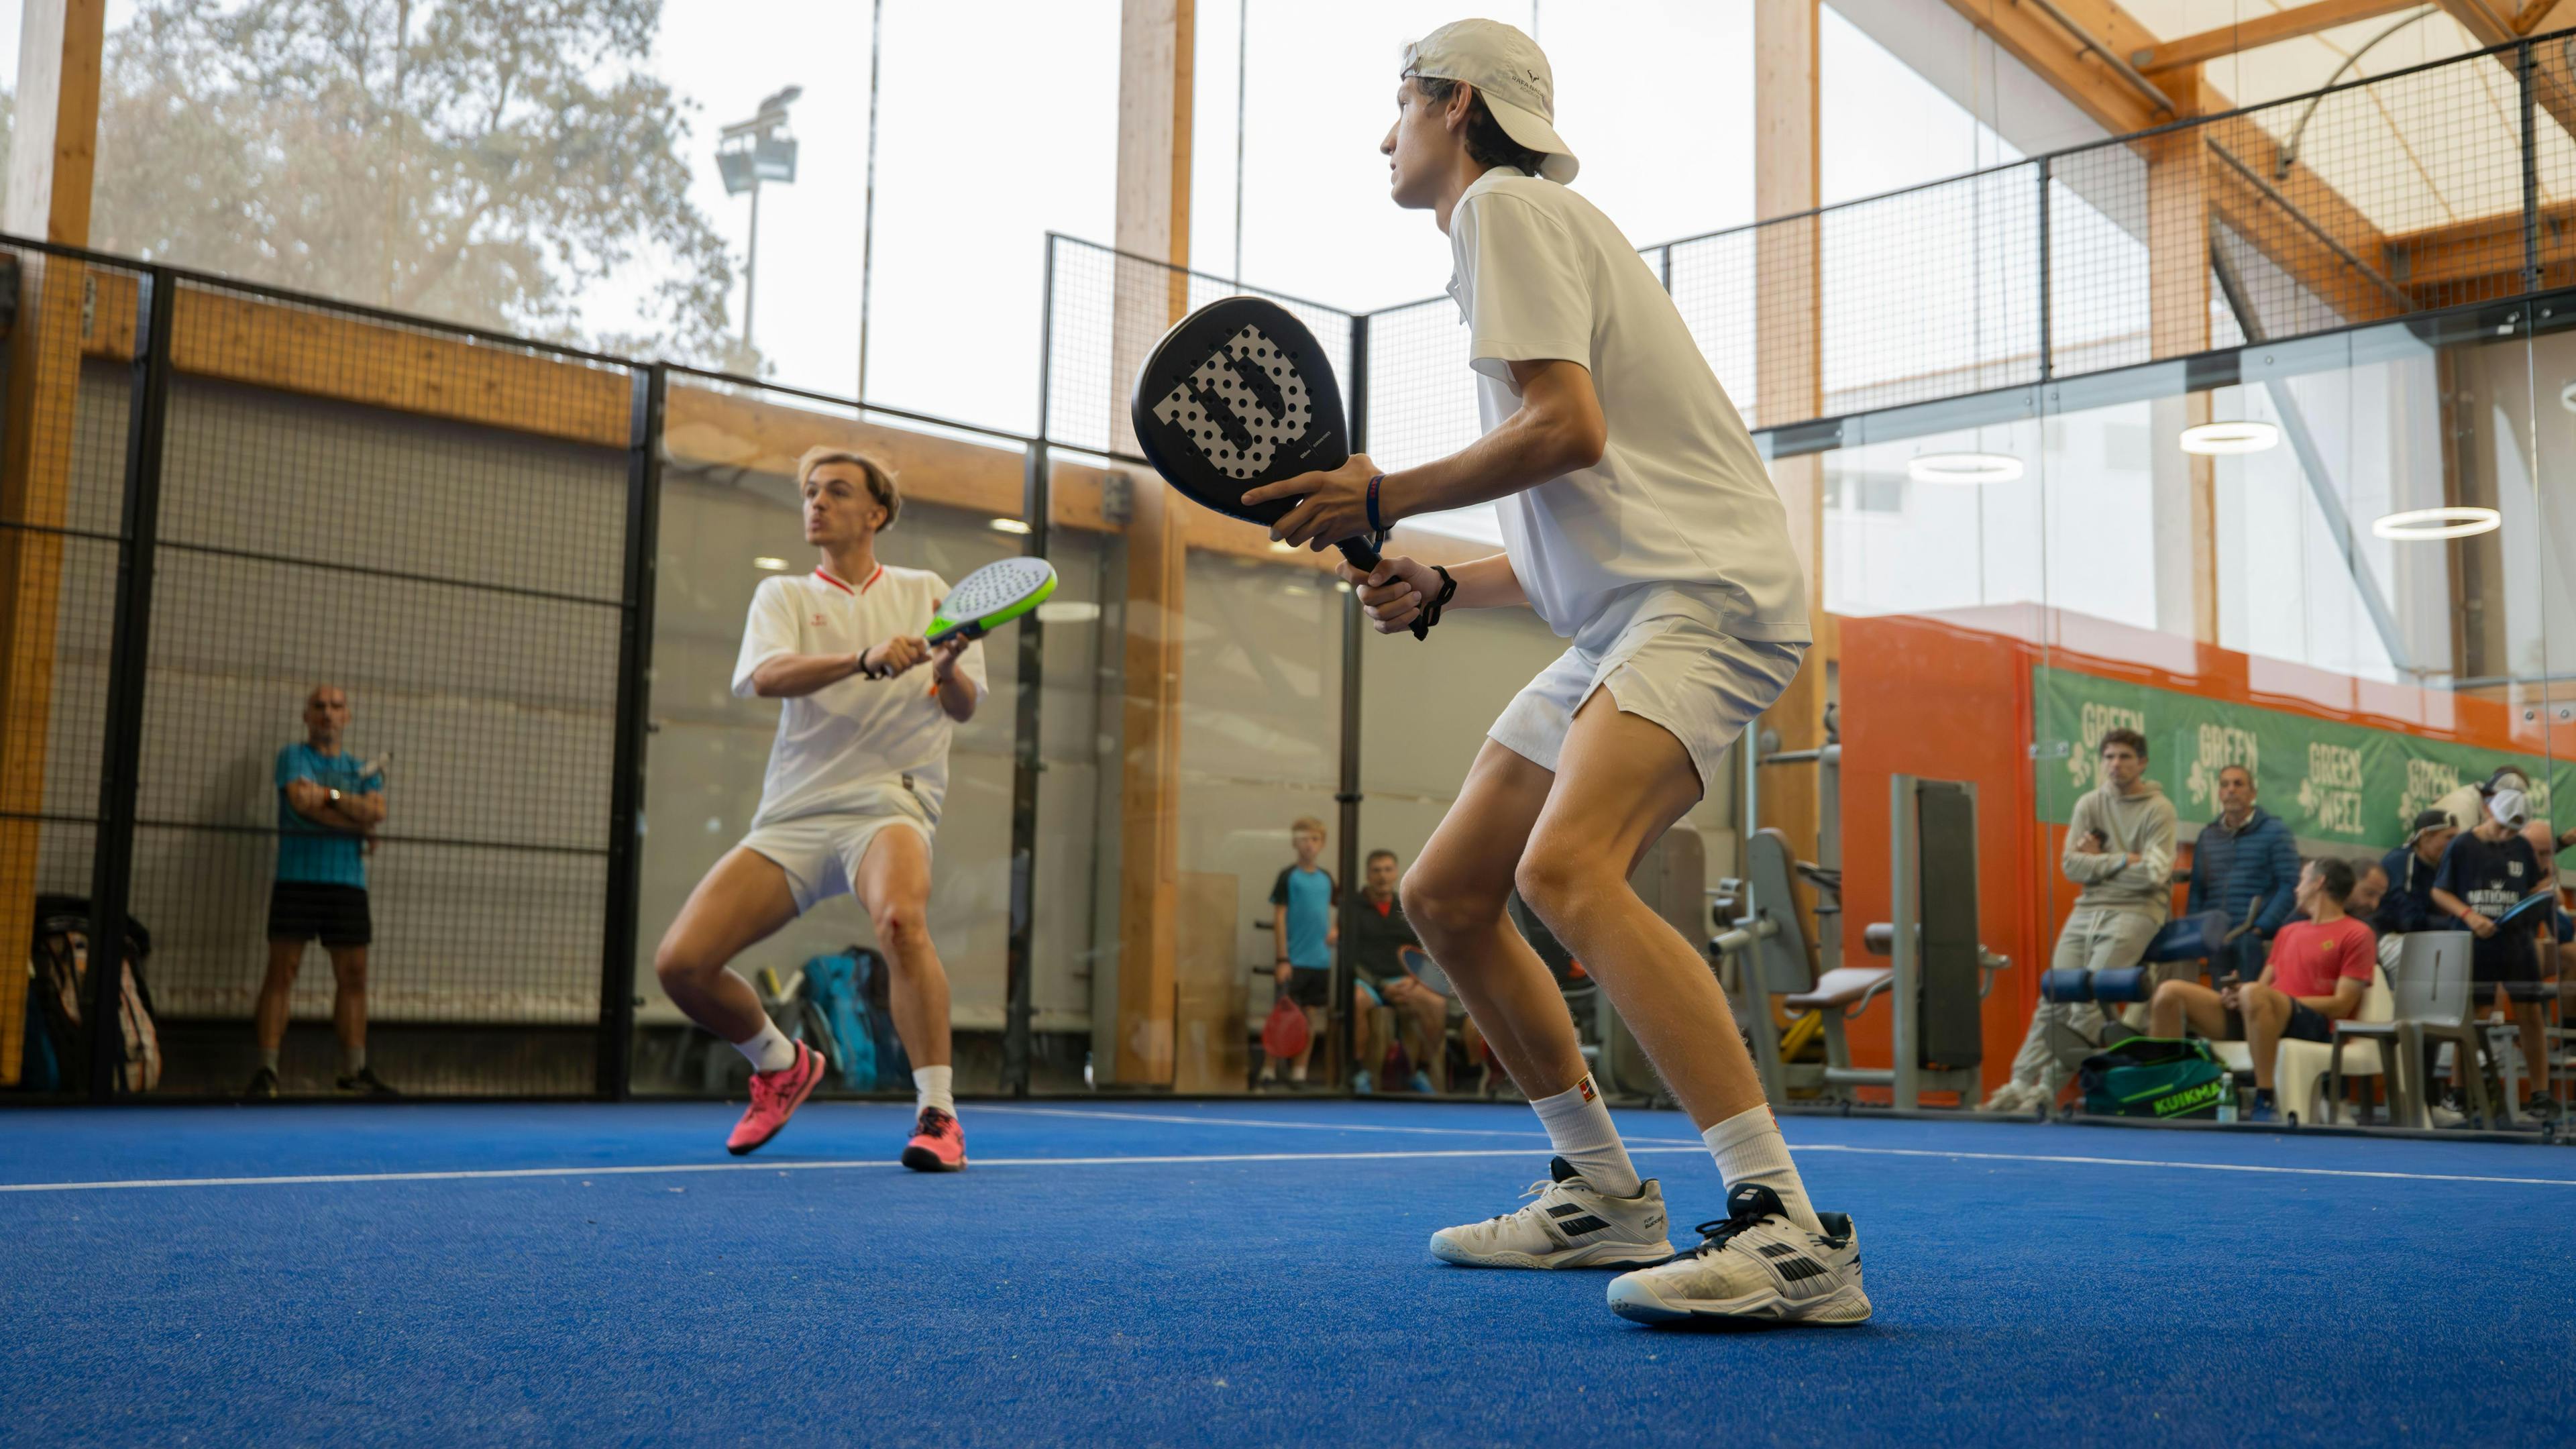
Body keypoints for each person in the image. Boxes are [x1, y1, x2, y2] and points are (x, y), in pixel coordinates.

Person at [1244, 19, 1860, 1326]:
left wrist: (1386, 490)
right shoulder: (1524, 236)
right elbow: (1586, 503)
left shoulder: (1507, 211)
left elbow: (1563, 428)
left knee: (1564, 869)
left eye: (1396, 106)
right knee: (1454, 894)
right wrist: (1447, 577)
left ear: (1455, 105)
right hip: (1630, 610)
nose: (1384, 135)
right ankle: (1599, 1193)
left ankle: (1792, 1233)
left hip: (1706, 600)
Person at [653, 446, 985, 1170]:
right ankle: (779, 1062)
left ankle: (938, 1115)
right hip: (795, 813)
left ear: (877, 513)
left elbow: (960, 708)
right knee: (681, 965)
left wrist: (947, 667)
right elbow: (765, 676)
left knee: (900, 921)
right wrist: (862, 656)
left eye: (836, 491)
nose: (817, 503)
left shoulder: (928, 589)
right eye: (809, 492)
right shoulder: (784, 598)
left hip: (889, 802)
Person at [1982, 729, 2176, 1114]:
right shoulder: (2089, 803)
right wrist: (2123, 859)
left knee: (2088, 1002)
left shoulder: (2159, 809)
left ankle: (2047, 1090)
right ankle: (2019, 1083)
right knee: (2055, 995)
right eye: (2108, 757)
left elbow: (2155, 874)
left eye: (2124, 757)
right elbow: (2071, 865)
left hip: (2136, 912)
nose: (2115, 765)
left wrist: (2098, 862)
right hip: (2086, 909)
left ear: (2142, 763)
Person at [244, 684, 394, 1099]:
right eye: (319, 706)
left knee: (354, 976)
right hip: (297, 880)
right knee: (282, 971)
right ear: (307, 716)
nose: (327, 713)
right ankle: (267, 1072)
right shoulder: (293, 758)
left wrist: (329, 795)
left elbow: (377, 810)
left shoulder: (364, 768)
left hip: (347, 884)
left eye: (336, 707)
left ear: (347, 717)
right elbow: (301, 804)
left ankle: (354, 1072)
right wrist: (356, 820)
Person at [2145, 857, 2374, 1123]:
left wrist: (2263, 996)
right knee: (2169, 993)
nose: (2297, 888)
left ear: (2319, 883)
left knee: (2254, 994)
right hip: (2265, 1014)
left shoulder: (2357, 934)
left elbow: (2343, 1004)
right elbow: (2261, 989)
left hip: (2314, 1025)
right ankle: (2163, 1094)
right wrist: (2237, 994)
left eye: (2302, 880)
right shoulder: (2287, 932)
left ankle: (2264, 1098)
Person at [2429, 788, 2553, 1114]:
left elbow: (2533, 887)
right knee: (2473, 1016)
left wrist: (2545, 892)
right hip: (2475, 942)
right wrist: (2469, 916)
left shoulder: (2522, 848)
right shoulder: (2463, 846)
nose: (2505, 835)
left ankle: (2540, 1093)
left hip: (2517, 942)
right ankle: (2459, 1089)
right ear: (2487, 811)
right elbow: (2440, 892)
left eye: (2513, 830)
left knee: (2531, 1014)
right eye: (2501, 826)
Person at [2184, 764, 2301, 982]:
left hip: (2253, 939)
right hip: (2217, 937)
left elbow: (2289, 885)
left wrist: (2261, 928)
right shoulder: (2208, 836)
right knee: (2220, 1006)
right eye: (2225, 785)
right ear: (2219, 793)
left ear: (2253, 793)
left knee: (2250, 1004)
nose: (2231, 790)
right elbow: (2198, 888)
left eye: (2238, 784)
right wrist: (2195, 930)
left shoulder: (2276, 832)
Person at [1347, 849, 1442, 1094]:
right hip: (1368, 982)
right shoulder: (1352, 907)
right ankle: (1359, 1072)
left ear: (1396, 872)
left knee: (1435, 1003)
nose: (1382, 876)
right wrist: (1381, 986)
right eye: (1377, 870)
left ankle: (1418, 1070)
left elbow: (1420, 952)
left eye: (1388, 869)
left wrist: (1414, 982)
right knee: (1356, 1000)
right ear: (1368, 874)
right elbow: (1349, 956)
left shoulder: (1406, 907)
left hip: (1404, 982)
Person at [1264, 817, 1340, 1089]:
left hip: (1319, 962)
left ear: (1323, 844)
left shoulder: (1327, 879)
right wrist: (1283, 958)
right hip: (1294, 961)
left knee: (1310, 1018)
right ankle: (1269, 1072)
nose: (1310, 845)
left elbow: (1341, 908)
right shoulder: (1288, 877)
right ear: (1295, 842)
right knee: (1282, 1018)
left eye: (1315, 839)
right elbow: (1280, 917)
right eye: (1304, 839)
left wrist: (1336, 929)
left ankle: (1299, 1073)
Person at [2374, 810, 2459, 947]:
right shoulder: (2402, 861)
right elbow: (2408, 921)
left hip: (2421, 938)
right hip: (2388, 938)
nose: (2454, 844)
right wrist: (2460, 923)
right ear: (2426, 837)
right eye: (2449, 837)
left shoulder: (2440, 864)